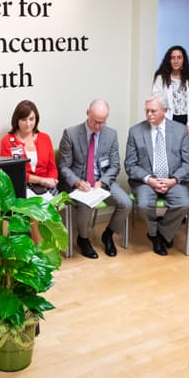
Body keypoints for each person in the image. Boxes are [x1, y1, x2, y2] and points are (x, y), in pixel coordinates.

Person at [58, 99, 132, 259]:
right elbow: (64, 166)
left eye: (102, 122)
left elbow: (114, 165)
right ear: (87, 113)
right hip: (79, 182)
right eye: (95, 122)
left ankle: (108, 234)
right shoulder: (70, 134)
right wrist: (77, 182)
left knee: (126, 203)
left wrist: (103, 182)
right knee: (85, 203)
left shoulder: (111, 134)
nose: (98, 126)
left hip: (102, 181)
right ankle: (83, 239)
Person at [125, 96, 189, 256]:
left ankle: (162, 233)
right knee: (143, 204)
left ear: (165, 110)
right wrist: (149, 180)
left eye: (153, 111)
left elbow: (188, 164)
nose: (149, 114)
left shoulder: (179, 130)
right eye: (146, 110)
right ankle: (156, 235)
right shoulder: (135, 131)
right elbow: (130, 164)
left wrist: (173, 180)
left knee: (184, 203)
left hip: (173, 180)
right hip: (146, 181)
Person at [0, 100, 58, 243]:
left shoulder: (45, 138)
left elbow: (52, 166)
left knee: (52, 210)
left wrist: (52, 180)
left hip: (45, 187)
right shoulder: (8, 141)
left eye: (31, 119)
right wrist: (41, 180)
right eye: (23, 119)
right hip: (22, 187)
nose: (28, 123)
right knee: (35, 212)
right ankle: (39, 252)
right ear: (16, 120)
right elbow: (14, 173)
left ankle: (50, 249)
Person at [152, 45, 189, 134]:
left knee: (184, 147)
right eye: (173, 58)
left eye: (179, 57)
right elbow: (157, 101)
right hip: (168, 120)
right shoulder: (161, 79)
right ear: (169, 60)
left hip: (186, 122)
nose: (176, 61)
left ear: (183, 60)